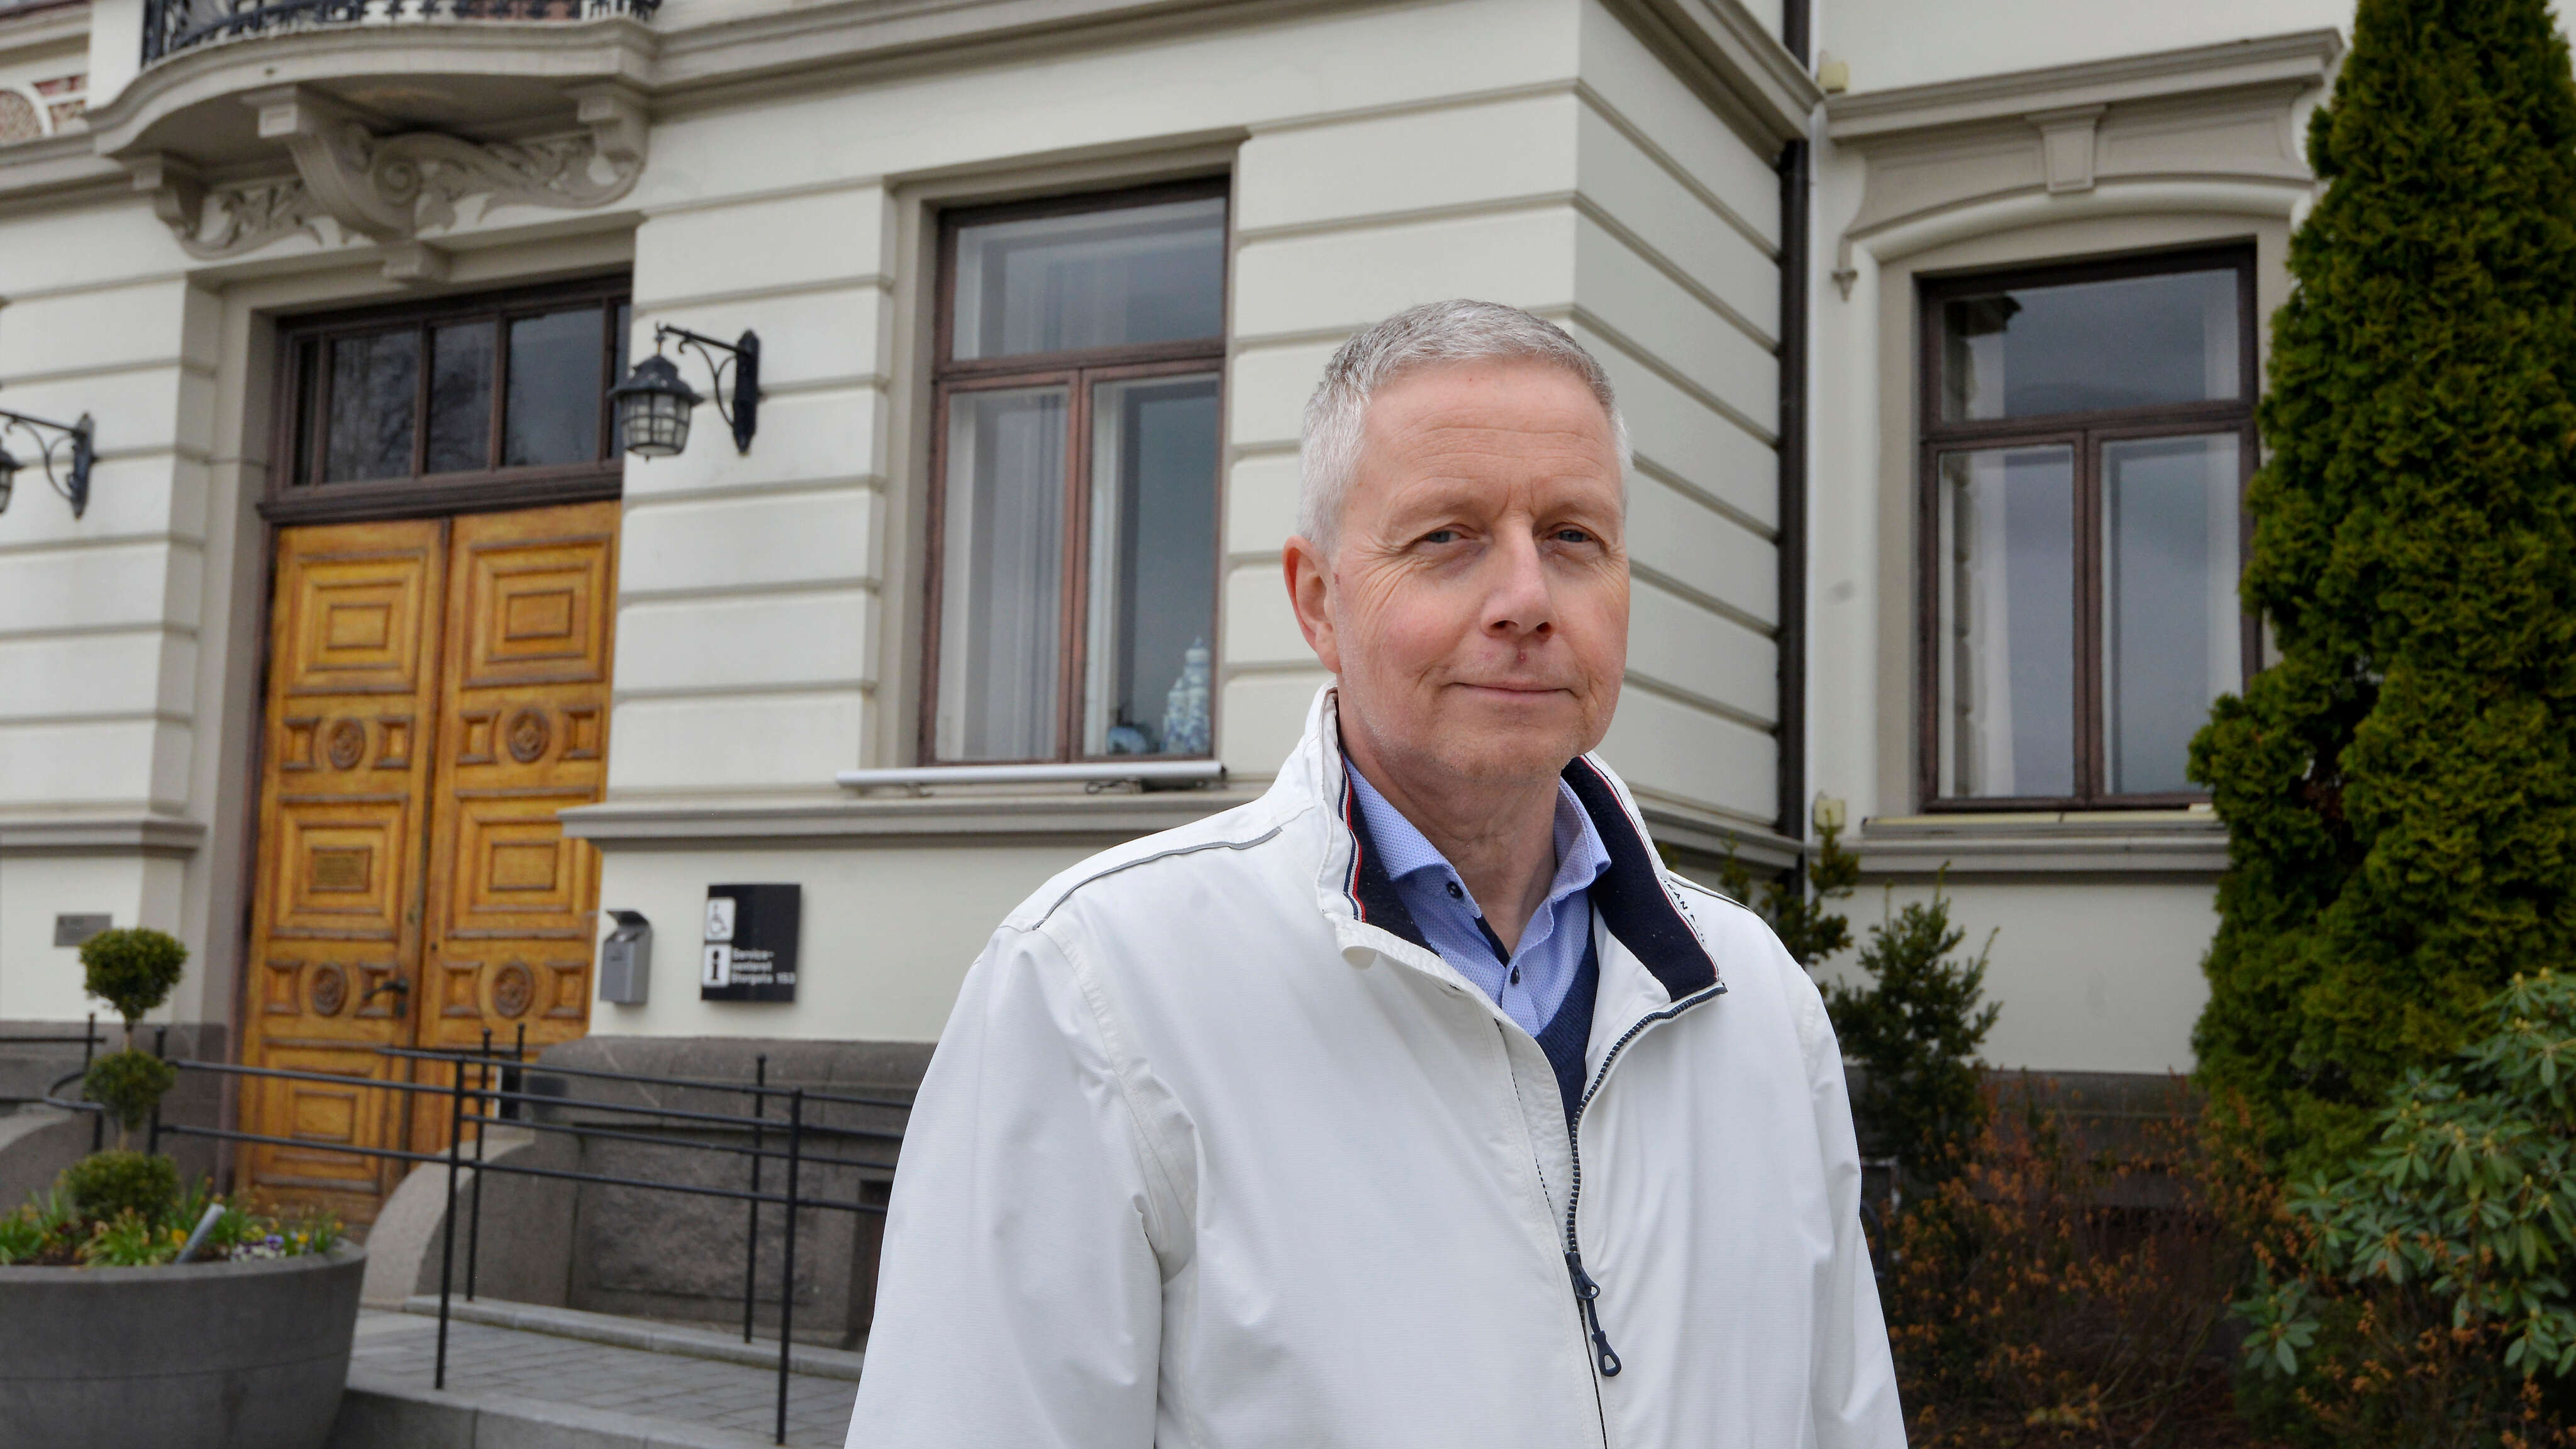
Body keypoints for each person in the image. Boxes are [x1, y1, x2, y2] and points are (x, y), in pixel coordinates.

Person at [845, 299, 1904, 1448]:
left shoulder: (1756, 1003)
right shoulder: (1096, 989)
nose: (1527, 600)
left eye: (1572, 537)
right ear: (1318, 599)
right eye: (1447, 537)